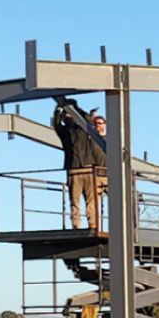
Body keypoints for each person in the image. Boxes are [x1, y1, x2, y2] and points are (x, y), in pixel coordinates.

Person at [51, 97, 106, 229]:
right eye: (67, 114)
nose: (69, 116)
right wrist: (58, 109)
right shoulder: (64, 132)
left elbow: (87, 119)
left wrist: (75, 107)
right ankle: (76, 225)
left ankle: (92, 225)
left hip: (87, 168)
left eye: (71, 113)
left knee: (91, 202)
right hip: (74, 169)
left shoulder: (85, 128)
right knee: (74, 202)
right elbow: (57, 124)